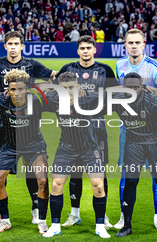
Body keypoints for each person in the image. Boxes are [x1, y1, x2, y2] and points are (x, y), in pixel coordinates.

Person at [0, 31, 57, 225]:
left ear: (22, 46)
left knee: (33, 171)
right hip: (4, 122)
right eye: (10, 43)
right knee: (1, 170)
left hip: (28, 120)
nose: (13, 47)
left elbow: (53, 76)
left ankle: (35, 207)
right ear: (5, 46)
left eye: (17, 43)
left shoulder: (31, 65)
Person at [55, 35, 117, 228]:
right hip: (73, 128)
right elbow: (56, 94)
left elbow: (114, 95)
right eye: (82, 48)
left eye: (89, 48)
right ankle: (74, 214)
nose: (85, 51)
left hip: (97, 128)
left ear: (94, 50)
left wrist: (94, 103)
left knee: (100, 173)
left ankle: (103, 215)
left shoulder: (104, 70)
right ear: (77, 50)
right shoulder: (68, 69)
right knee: (75, 171)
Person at [43, 72, 110, 239]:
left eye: (71, 88)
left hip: (89, 148)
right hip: (66, 148)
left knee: (98, 186)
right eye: (63, 89)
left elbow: (114, 93)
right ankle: (55, 225)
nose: (67, 92)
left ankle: (100, 226)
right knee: (57, 184)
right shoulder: (53, 99)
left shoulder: (90, 99)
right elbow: (34, 91)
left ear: (78, 87)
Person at [115, 28, 157, 230]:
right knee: (126, 176)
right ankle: (123, 217)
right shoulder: (120, 64)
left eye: (138, 43)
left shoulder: (155, 67)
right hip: (128, 128)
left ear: (144, 45)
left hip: (154, 130)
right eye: (130, 43)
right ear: (125, 45)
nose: (134, 46)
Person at [0, 70, 50, 234]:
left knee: (43, 181)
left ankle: (42, 221)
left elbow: (54, 88)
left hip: (34, 145)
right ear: (7, 90)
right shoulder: (1, 101)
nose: (16, 93)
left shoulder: (36, 101)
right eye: (13, 90)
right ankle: (4, 220)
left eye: (21, 89)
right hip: (10, 146)